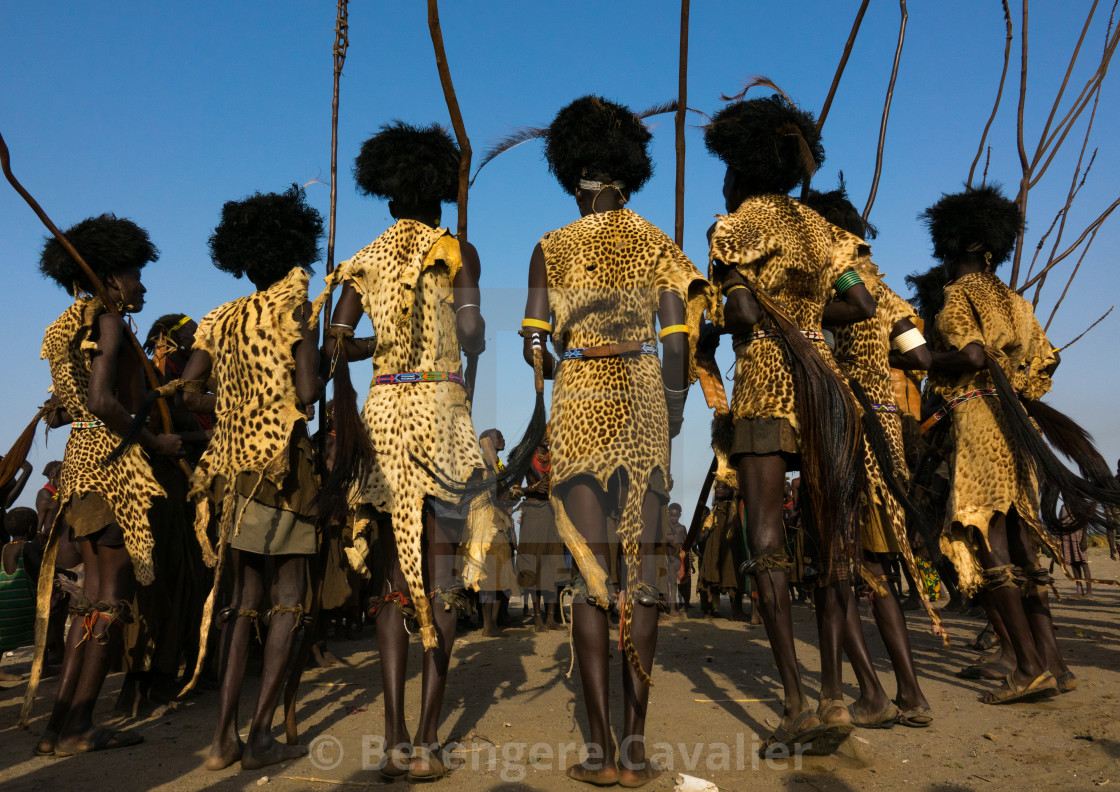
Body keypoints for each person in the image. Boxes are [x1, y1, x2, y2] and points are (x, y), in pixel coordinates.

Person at [521, 96, 708, 787]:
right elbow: (679, 340)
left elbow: (534, 351)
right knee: (646, 579)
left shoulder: (551, 245)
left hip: (578, 400)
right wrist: (675, 407)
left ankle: (599, 751)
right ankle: (635, 747)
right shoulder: (658, 241)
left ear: (576, 180)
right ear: (627, 177)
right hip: (642, 402)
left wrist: (557, 359)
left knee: (593, 579)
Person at [705, 94, 878, 755]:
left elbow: (745, 314)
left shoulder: (733, 226)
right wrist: (807, 319)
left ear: (741, 172)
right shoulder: (820, 229)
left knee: (767, 543)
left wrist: (730, 318)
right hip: (829, 389)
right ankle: (835, 692)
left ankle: (797, 701)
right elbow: (861, 304)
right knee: (836, 542)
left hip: (769, 384)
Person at [322, 121, 492, 782]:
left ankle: (393, 737)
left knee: (395, 584)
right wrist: (461, 329)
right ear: (435, 192)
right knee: (440, 577)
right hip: (442, 417)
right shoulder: (456, 249)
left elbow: (337, 346)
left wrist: (380, 349)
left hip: (385, 417)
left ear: (390, 195)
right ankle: (426, 742)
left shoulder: (363, 260)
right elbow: (473, 331)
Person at [176, 185, 325, 770]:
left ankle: (221, 740)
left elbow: (188, 390)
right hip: (282, 470)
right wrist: (314, 368)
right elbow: (309, 394)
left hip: (230, 475)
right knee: (287, 599)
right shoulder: (297, 310)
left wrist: (233, 401)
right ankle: (260, 734)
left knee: (241, 603)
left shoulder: (220, 317)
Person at [29, 214, 181, 755]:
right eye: (136, 274)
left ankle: (57, 729)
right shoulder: (108, 323)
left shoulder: (67, 325)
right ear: (112, 276)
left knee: (88, 601)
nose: (143, 285)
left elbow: (81, 403)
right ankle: (77, 727)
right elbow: (98, 402)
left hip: (79, 467)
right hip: (114, 469)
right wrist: (157, 444)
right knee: (110, 599)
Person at [922, 185, 1079, 703]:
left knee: (987, 540)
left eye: (947, 249)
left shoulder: (958, 293)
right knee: (1022, 543)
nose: (943, 260)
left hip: (981, 421)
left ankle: (1028, 665)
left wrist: (918, 363)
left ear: (961, 246)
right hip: (1019, 426)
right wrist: (1017, 390)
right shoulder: (1017, 300)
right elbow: (1047, 360)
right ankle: (1054, 661)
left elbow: (968, 357)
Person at [805, 185, 935, 728]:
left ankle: (873, 695)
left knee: (839, 563)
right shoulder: (891, 297)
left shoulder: (824, 288)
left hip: (845, 425)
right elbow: (922, 357)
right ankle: (911, 694)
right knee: (875, 561)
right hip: (887, 427)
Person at [1, 508, 43, 680]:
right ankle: (43, 666)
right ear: (31, 528)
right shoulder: (29, 548)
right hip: (25, 608)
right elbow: (44, 569)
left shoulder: (3, 549)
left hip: (4, 610)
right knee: (43, 632)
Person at [666, 502, 690, 613]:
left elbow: (686, 544)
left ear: (679, 515)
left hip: (678, 560)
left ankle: (684, 604)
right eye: (672, 516)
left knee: (680, 583)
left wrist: (686, 556)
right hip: (668, 559)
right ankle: (671, 608)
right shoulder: (665, 527)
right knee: (671, 585)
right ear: (668, 514)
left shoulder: (682, 528)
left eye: (676, 516)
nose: (674, 518)